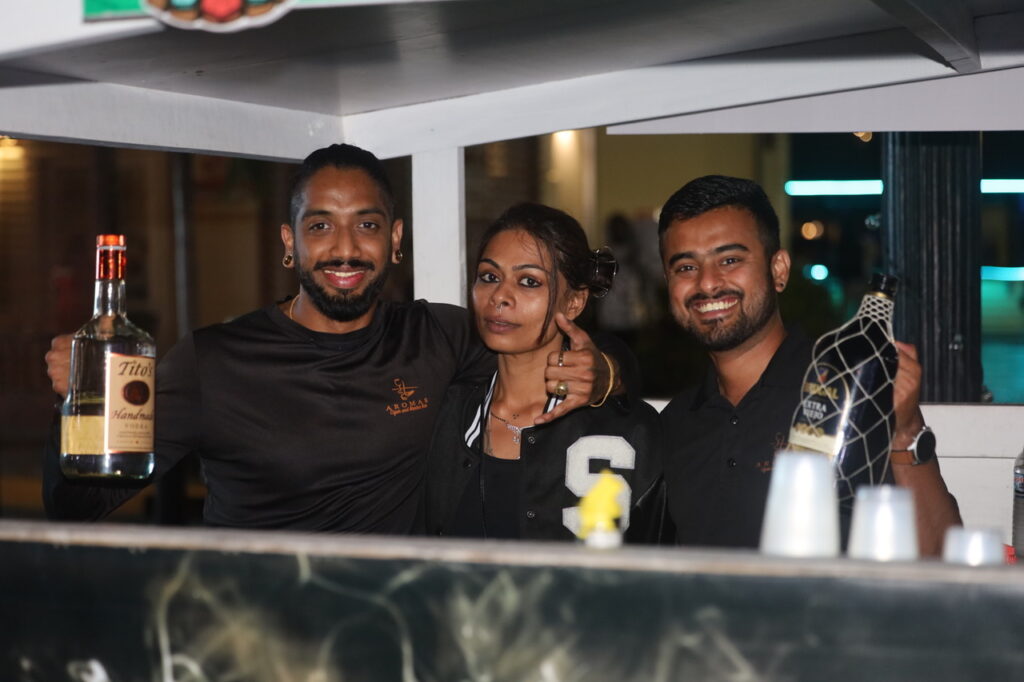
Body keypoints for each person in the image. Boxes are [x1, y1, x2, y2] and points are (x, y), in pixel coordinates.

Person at [43, 144, 617, 533]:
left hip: (392, 640)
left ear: (395, 239)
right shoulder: (213, 360)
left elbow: (575, 364)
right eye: (320, 226)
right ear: (288, 241)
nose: (345, 249)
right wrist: (78, 403)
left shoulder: (439, 336)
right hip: (258, 646)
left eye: (366, 225)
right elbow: (76, 506)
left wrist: (602, 375)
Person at [657, 175, 961, 555]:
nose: (707, 284)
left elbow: (943, 560)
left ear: (779, 270)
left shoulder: (850, 391)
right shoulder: (675, 424)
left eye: (730, 260)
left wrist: (905, 431)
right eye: (685, 267)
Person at [422, 203, 667, 542]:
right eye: (489, 277)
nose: (500, 296)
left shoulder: (626, 431)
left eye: (528, 281)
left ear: (574, 302)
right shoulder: (443, 415)